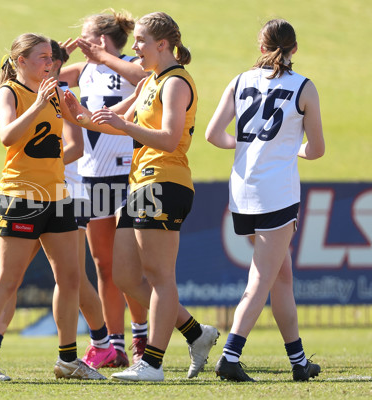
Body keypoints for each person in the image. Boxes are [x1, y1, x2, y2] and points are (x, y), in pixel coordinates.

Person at [66, 11, 201, 382]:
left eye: (140, 41)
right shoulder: (150, 82)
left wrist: (125, 126)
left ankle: (152, 363)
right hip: (139, 183)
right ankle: (196, 333)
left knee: (159, 276)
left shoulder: (175, 82)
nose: (134, 47)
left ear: (162, 44)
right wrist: (76, 113)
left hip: (165, 180)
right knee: (124, 275)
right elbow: (106, 118)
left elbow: (170, 138)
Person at [205, 18, 324, 382]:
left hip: (241, 193)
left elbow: (213, 135)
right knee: (261, 279)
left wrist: (246, 146)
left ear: (261, 48)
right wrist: (293, 151)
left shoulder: (240, 81)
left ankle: (299, 362)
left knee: (280, 277)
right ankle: (230, 355)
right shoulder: (303, 87)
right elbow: (317, 150)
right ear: (294, 49)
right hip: (276, 194)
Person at [0, 32, 107, 380]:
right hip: (21, 196)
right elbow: (7, 136)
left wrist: (97, 116)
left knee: (70, 278)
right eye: (41, 57)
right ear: (20, 62)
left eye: (52, 57)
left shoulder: (55, 94)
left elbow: (77, 136)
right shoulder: (10, 93)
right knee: (8, 280)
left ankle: (68, 360)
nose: (50, 63)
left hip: (58, 196)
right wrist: (39, 104)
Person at [59, 9, 149, 366]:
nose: (80, 42)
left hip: (127, 174)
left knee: (132, 264)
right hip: (92, 175)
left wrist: (105, 56)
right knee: (104, 264)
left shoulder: (129, 63)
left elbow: (145, 75)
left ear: (100, 39)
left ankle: (141, 335)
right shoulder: (83, 71)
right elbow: (42, 79)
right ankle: (115, 345)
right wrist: (59, 59)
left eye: (85, 37)